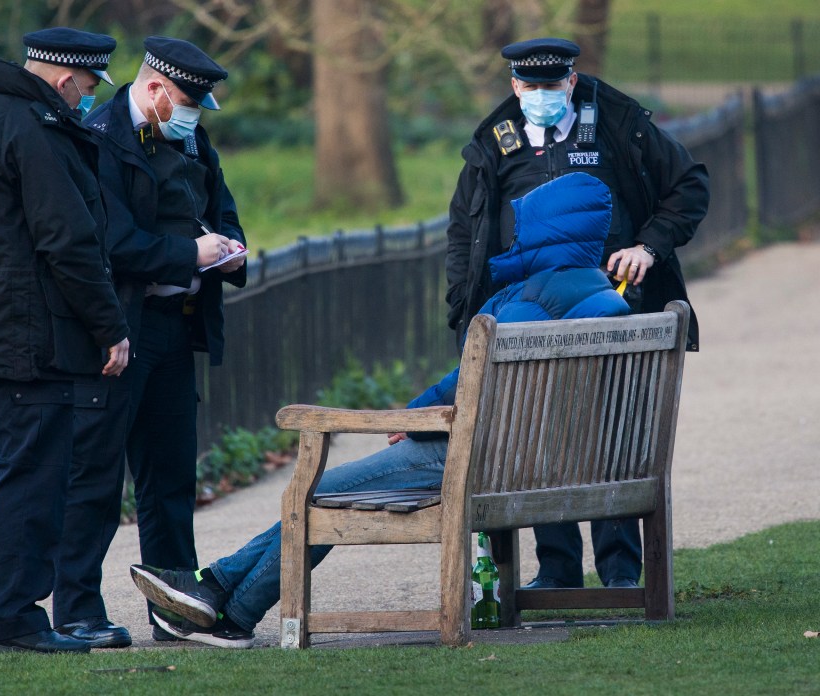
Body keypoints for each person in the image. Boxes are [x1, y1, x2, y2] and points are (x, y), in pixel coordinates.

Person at [127, 172, 630, 648]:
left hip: (489, 463)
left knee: (318, 489)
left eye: (524, 225)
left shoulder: (528, 300)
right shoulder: (603, 301)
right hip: (554, 463)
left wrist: (411, 418)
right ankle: (220, 599)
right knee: (323, 493)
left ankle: (224, 602)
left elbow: (468, 385)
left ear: (546, 231)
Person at [443, 37, 710, 591]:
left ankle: (620, 573)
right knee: (538, 436)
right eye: (529, 86)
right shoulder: (495, 142)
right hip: (528, 318)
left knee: (610, 434)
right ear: (515, 87)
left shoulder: (618, 124)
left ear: (570, 82)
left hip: (607, 309)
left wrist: (649, 247)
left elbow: (689, 185)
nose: (540, 95)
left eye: (551, 85)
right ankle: (557, 571)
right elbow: (464, 230)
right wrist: (463, 305)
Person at [0, 27, 130, 654]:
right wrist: (110, 326)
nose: (89, 98)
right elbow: (67, 241)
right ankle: (15, 619)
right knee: (30, 481)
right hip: (33, 333)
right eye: (89, 86)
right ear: (65, 77)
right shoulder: (35, 131)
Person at [52, 36, 246, 645]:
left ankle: (175, 607)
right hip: (120, 325)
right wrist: (190, 252)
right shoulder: (103, 136)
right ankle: (77, 608)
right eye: (187, 100)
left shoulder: (189, 136)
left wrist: (232, 249)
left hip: (172, 323)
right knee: (98, 475)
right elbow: (110, 240)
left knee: (170, 479)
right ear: (156, 88)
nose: (192, 113)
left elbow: (223, 205)